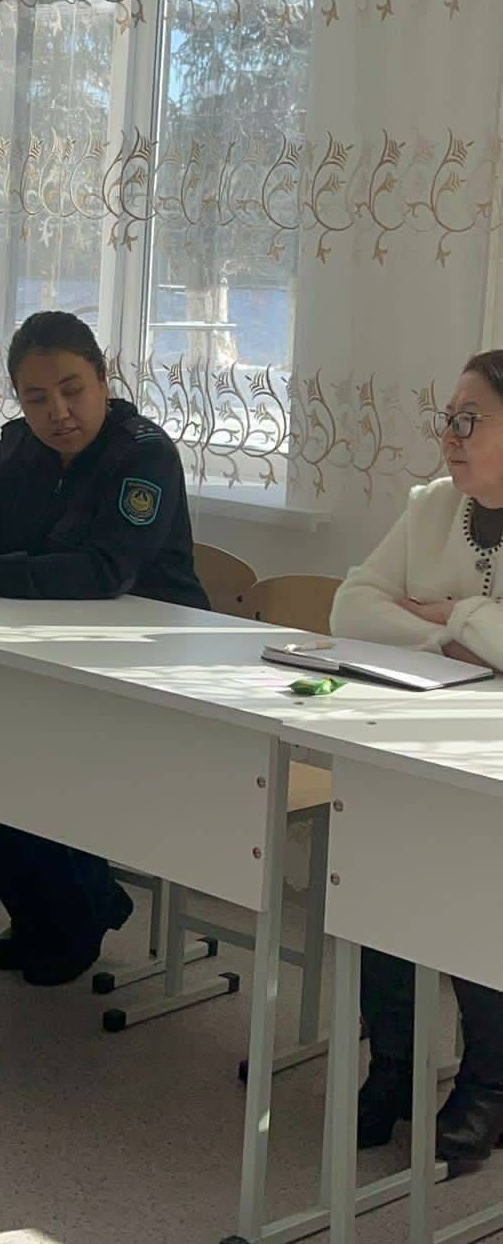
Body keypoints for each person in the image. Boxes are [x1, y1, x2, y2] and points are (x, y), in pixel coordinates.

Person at [0, 310, 210, 986]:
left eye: (72, 390)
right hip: (52, 650)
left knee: (15, 747)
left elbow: (103, 572)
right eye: (36, 398)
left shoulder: (143, 453)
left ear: (104, 380)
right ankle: (57, 909)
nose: (57, 412)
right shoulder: (19, 448)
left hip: (153, 663)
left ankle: (70, 911)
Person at [332, 348, 503, 1165]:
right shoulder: (432, 506)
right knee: (381, 869)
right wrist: (449, 637)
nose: (450, 436)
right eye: (449, 418)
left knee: (476, 882)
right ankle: (393, 1068)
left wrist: (456, 610)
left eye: (471, 420)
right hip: (420, 744)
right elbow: (351, 608)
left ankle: (490, 1085)